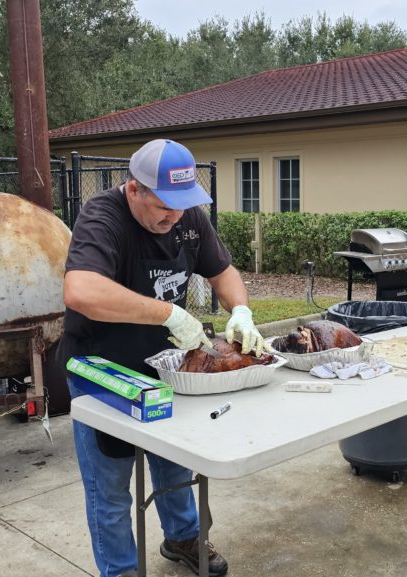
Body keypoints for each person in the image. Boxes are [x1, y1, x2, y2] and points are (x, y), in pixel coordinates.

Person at [60, 139, 264, 577]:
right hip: (105, 371)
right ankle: (121, 570)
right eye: (163, 206)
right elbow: (81, 291)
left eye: (181, 205)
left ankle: (184, 537)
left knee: (175, 461)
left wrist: (241, 311)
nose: (173, 216)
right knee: (111, 484)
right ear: (134, 189)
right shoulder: (102, 217)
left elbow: (222, 270)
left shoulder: (188, 216)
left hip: (164, 367)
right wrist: (168, 312)